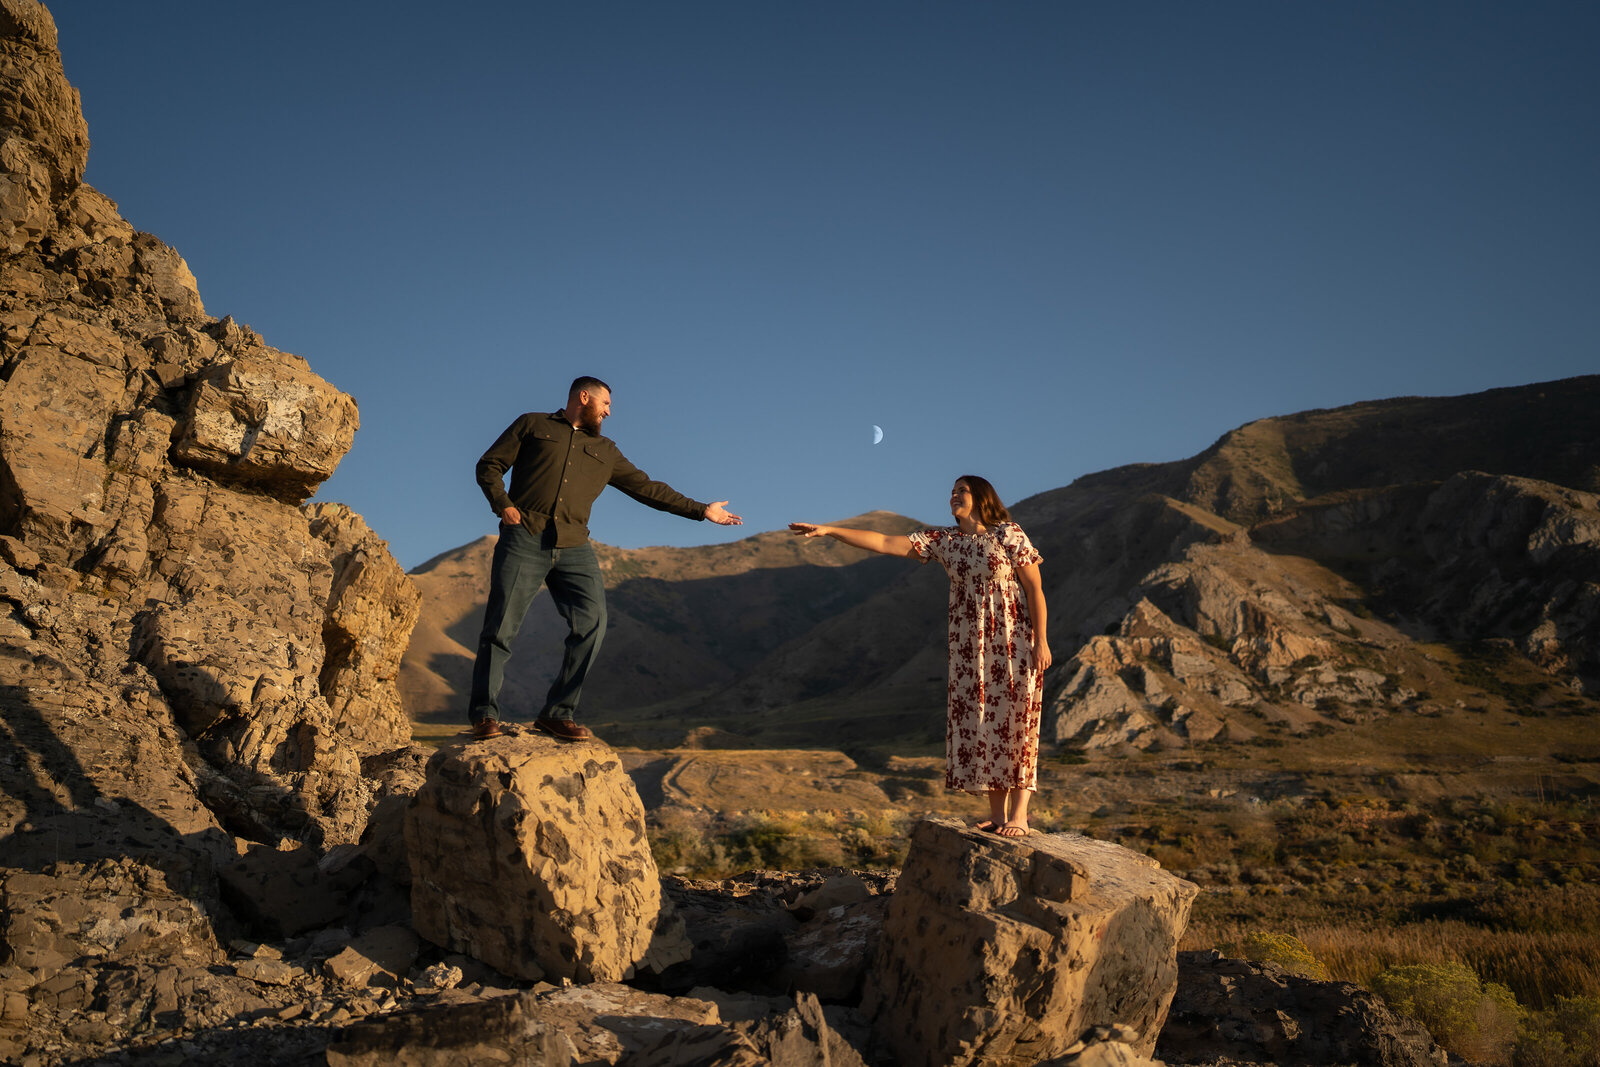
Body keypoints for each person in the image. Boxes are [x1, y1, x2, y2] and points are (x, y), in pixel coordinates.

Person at [470, 376, 742, 741]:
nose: (609, 412)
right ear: (584, 398)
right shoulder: (532, 424)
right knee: (501, 627)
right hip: (525, 536)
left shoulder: (606, 451)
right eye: (606, 405)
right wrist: (502, 504)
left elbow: (648, 488)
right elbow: (488, 465)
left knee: (593, 623)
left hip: (574, 546)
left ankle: (557, 713)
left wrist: (700, 510)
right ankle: (485, 715)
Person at [789, 476, 1050, 836]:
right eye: (951, 492)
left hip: (1012, 641)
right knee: (979, 724)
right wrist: (831, 530)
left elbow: (1034, 587)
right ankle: (998, 815)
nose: (953, 496)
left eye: (962, 491)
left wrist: (1041, 641)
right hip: (968, 649)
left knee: (1017, 721)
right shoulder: (944, 541)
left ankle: (1019, 816)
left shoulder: (1008, 534)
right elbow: (883, 541)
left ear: (982, 497)